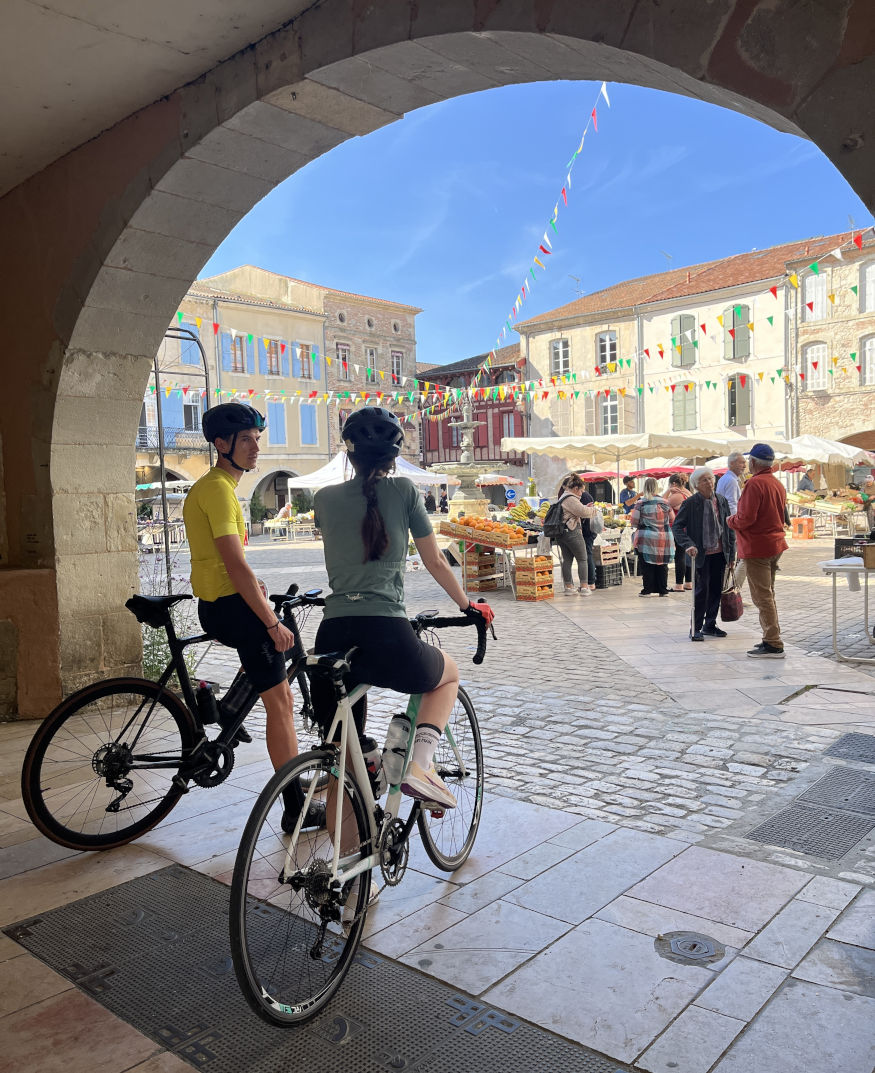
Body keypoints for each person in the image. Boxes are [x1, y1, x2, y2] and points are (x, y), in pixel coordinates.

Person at [312, 407, 494, 811]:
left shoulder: (322, 498)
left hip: (332, 635)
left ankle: (344, 870)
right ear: (394, 456)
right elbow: (435, 561)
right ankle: (421, 766)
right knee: (447, 675)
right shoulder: (406, 492)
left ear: (349, 453)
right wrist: (469, 606)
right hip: (386, 633)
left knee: (345, 765)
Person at [183, 403, 322, 831]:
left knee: (268, 679)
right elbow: (234, 563)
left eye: (257, 438)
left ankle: (226, 707)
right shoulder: (220, 490)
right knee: (281, 703)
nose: (255, 447)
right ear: (221, 444)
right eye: (246, 439)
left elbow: (226, 562)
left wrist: (256, 590)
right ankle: (296, 807)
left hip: (217, 605)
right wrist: (270, 621)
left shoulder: (209, 486)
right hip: (233, 609)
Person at [728, 442, 788, 658]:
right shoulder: (776, 483)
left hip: (758, 546)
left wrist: (730, 520)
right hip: (774, 544)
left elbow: (746, 518)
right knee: (767, 594)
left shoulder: (755, 484)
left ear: (753, 462)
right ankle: (771, 639)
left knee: (762, 597)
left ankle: (773, 642)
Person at [672, 466, 736, 642]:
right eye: (704, 480)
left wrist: (731, 555)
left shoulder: (721, 500)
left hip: (720, 552)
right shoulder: (691, 503)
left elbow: (729, 527)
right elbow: (677, 527)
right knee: (701, 591)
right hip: (700, 554)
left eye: (710, 479)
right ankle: (696, 627)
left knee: (716, 589)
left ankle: (710, 624)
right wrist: (688, 545)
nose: (709, 482)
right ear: (696, 485)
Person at [629, 478, 675, 597]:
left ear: (645, 488)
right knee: (662, 563)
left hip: (646, 537)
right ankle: (663, 590)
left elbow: (633, 522)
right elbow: (672, 519)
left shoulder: (641, 503)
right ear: (656, 487)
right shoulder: (665, 502)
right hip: (664, 537)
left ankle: (647, 590)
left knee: (647, 564)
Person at [553, 474, 595, 595]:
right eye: (581, 490)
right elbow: (583, 512)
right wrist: (593, 510)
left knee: (567, 559)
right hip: (572, 531)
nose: (582, 493)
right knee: (582, 558)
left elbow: (578, 510)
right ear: (575, 488)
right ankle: (584, 587)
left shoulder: (562, 497)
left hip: (561, 533)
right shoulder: (571, 498)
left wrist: (584, 508)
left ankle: (569, 587)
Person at [715, 451, 748, 590]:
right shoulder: (731, 480)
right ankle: (730, 592)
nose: (744, 465)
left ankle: (726, 591)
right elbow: (732, 504)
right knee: (732, 559)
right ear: (732, 463)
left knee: (730, 558)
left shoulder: (728, 479)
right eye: (741, 462)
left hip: (726, 523)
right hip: (730, 524)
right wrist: (737, 525)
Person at [663, 474, 692, 591]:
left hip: (680, 529)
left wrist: (668, 491)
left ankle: (679, 584)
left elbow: (660, 504)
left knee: (680, 556)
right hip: (689, 528)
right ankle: (689, 582)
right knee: (688, 554)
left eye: (669, 485)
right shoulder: (688, 493)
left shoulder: (677, 496)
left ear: (674, 484)